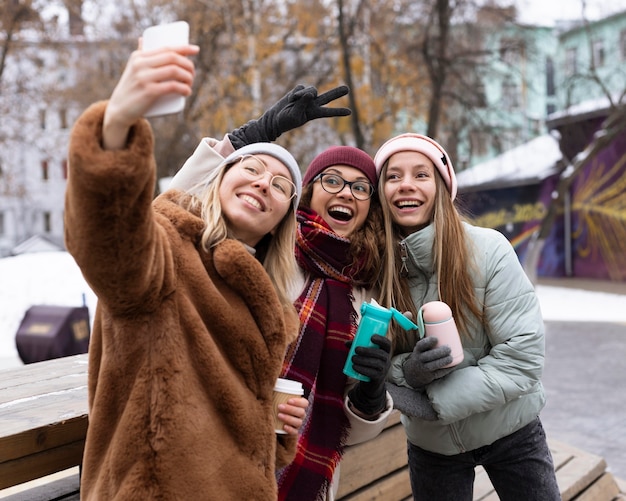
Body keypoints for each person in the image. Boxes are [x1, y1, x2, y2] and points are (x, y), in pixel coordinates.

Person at [64, 42, 308, 500]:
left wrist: (276, 429)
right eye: (252, 168)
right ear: (220, 178)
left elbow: (231, 426)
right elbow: (109, 235)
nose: (263, 182)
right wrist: (117, 123)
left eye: (281, 186)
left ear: (282, 220)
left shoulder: (270, 303)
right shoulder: (167, 254)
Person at [170, 106, 394, 501]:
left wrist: (370, 396)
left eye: (360, 188)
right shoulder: (266, 247)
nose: (346, 192)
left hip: (302, 478)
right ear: (306, 192)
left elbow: (343, 426)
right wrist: (241, 141)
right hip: (218, 455)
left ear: (369, 207)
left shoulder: (368, 293)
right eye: (333, 180)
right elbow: (171, 214)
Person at [373, 133, 561, 500]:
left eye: (421, 175)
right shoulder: (374, 269)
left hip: (513, 429)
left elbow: (522, 357)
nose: (406, 185)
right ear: (381, 192)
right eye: (393, 176)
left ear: (442, 187)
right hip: (433, 448)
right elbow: (373, 359)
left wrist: (431, 403)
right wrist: (408, 371)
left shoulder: (488, 250)